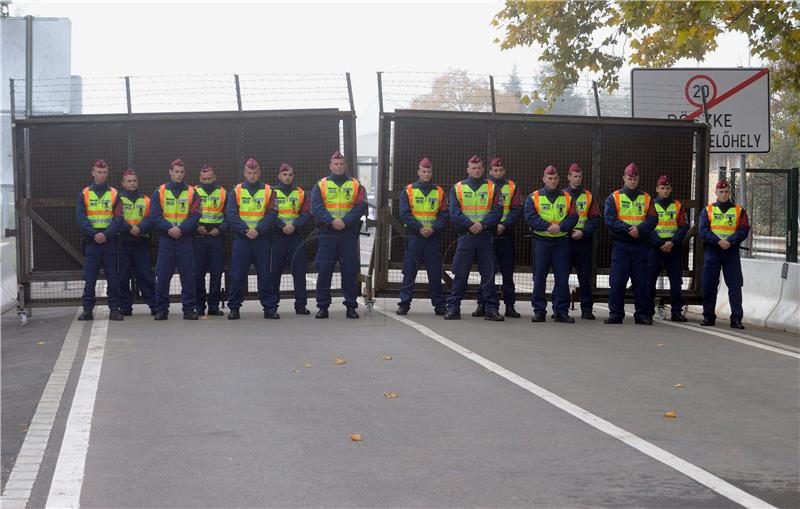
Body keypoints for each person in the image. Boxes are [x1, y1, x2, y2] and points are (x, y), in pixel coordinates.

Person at [444, 155, 504, 321]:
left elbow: (498, 211)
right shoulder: (457, 188)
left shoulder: (493, 188)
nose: (476, 170)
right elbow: (454, 213)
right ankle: (453, 308)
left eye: (479, 168)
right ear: (468, 169)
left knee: (488, 274)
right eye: (473, 168)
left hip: (485, 237)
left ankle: (491, 309)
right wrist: (471, 225)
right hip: (466, 237)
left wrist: (482, 225)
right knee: (460, 274)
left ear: (483, 169)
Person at [310, 150, 367, 319]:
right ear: (331, 166)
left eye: (342, 164)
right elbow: (316, 206)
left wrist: (345, 221)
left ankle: (351, 306)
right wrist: (331, 221)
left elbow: (360, 206)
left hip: (348, 234)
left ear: (346, 166)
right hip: (328, 233)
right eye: (336, 164)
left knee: (349, 271)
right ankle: (323, 307)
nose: (339, 166)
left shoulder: (356, 185)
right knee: (325, 270)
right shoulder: (320, 185)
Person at [603, 163, 658, 325]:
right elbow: (610, 219)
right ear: (624, 178)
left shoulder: (647, 198)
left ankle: (641, 314)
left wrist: (639, 230)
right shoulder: (614, 197)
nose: (632, 182)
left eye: (635, 179)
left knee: (641, 281)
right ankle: (616, 314)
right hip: (622, 245)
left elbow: (653, 219)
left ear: (638, 179)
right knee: (618, 281)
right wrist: (628, 229)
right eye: (629, 179)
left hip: (641, 245)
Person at [225, 158, 278, 320]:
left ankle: (269, 308)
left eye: (255, 173)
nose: (252, 176)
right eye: (249, 173)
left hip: (262, 239)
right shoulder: (236, 191)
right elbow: (231, 215)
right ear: (244, 173)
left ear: (259, 173)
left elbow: (272, 213)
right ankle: (234, 308)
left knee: (265, 274)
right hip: (242, 239)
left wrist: (259, 230)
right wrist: (245, 230)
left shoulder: (269, 191)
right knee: (237, 274)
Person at [525, 165, 578, 323]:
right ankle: (539, 311)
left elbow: (573, 217)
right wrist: (548, 226)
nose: (553, 181)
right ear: (544, 179)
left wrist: (560, 227)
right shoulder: (534, 197)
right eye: (549, 178)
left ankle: (561, 311)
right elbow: (530, 217)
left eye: (555, 178)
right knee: (539, 277)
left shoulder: (568, 197)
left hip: (561, 242)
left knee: (562, 277)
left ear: (559, 179)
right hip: (541, 241)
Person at [396, 157, 448, 316]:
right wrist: (420, 228)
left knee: (435, 273)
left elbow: (444, 214)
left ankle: (439, 305)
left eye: (429, 171)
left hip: (432, 238)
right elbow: (404, 214)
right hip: (415, 237)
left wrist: (432, 228)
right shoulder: (408, 190)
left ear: (432, 173)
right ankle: (404, 304)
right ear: (418, 172)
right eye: (423, 171)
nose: (426, 174)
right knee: (409, 272)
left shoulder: (439, 191)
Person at [150, 158, 201, 320]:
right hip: (167, 240)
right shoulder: (159, 192)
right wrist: (170, 229)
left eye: (181, 172)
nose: (179, 175)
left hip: (185, 239)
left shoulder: (193, 192)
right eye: (176, 171)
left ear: (184, 173)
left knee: (188, 276)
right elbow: (155, 216)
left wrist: (181, 229)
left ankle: (189, 309)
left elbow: (195, 215)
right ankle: (161, 309)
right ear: (170, 172)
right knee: (163, 275)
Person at [474, 157, 522, 318]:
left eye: (501, 170)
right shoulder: (485, 187)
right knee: (487, 271)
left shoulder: (512, 187)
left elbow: (516, 210)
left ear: (504, 171)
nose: (498, 173)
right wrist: (491, 225)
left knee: (508, 273)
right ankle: (482, 304)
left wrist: (504, 225)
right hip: (488, 233)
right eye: (495, 170)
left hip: (506, 234)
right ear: (490, 172)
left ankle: (510, 306)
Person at [76, 159, 124, 321]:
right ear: (93, 172)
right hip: (92, 242)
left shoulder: (115, 194)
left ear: (107, 173)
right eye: (99, 172)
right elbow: (81, 219)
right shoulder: (84, 194)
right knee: (89, 278)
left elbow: (118, 219)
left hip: (109, 242)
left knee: (113, 277)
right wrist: (94, 234)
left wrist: (106, 234)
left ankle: (114, 310)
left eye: (104, 172)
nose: (101, 175)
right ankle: (87, 310)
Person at [699, 178, 750, 329]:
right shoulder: (707, 210)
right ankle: (708, 317)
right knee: (709, 286)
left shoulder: (739, 211)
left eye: (726, 191)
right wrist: (718, 241)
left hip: (731, 253)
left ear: (730, 193)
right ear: (715, 192)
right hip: (713, 252)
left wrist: (730, 241)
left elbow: (744, 229)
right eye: (721, 192)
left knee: (735, 286)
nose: (724, 194)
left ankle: (736, 319)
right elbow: (703, 231)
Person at [265, 163, 311, 318]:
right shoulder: (271, 192)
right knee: (274, 273)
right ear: (279, 176)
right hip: (277, 236)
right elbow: (268, 212)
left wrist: (294, 225)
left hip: (295, 236)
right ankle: (272, 307)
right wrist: (282, 225)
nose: (288, 177)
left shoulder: (301, 193)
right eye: (284, 174)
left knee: (299, 272)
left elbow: (305, 213)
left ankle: (301, 305)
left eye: (290, 174)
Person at [645, 175, 689, 322]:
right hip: (655, 247)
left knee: (676, 282)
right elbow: (646, 226)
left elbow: (683, 226)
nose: (665, 191)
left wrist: (672, 242)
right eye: (662, 188)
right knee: (650, 280)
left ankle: (676, 312)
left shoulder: (677, 205)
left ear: (671, 189)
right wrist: (658, 242)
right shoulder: (651, 205)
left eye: (667, 188)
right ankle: (648, 311)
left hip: (672, 247)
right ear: (657, 189)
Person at [117, 169, 156, 316]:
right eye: (129, 181)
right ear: (123, 183)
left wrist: (139, 228)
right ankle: (125, 307)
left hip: (141, 243)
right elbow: (116, 218)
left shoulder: (146, 200)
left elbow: (151, 218)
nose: (132, 183)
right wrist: (129, 229)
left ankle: (153, 305)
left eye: (134, 181)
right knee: (122, 276)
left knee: (145, 275)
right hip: (123, 242)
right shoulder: (117, 199)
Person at [564, 163, 601, 320]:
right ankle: (561, 308)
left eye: (579, 176)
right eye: (574, 176)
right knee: (561, 276)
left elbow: (594, 218)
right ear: (568, 177)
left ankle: (587, 309)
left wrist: (583, 232)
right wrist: (568, 231)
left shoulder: (588, 196)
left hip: (583, 241)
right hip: (565, 240)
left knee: (585, 278)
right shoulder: (562, 195)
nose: (577, 179)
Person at [193, 164, 227, 316]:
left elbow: (229, 216)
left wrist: (220, 229)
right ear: (200, 179)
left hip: (216, 237)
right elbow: (186, 214)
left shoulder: (223, 193)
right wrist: (196, 226)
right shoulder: (192, 192)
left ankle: (213, 305)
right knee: (198, 273)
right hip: (198, 237)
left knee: (216, 272)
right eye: (204, 179)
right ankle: (199, 305)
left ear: (215, 178)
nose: (207, 181)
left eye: (209, 178)